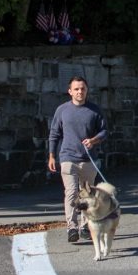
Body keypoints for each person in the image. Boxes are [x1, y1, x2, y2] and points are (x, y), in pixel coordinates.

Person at [48, 76, 108, 243]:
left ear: (86, 90)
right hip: (67, 158)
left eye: (82, 89)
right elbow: (54, 134)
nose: (80, 91)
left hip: (89, 160)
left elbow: (104, 131)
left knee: (87, 195)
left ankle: (84, 226)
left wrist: (93, 140)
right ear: (70, 91)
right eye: (76, 89)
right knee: (71, 192)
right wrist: (52, 155)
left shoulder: (94, 110)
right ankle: (72, 227)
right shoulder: (62, 110)